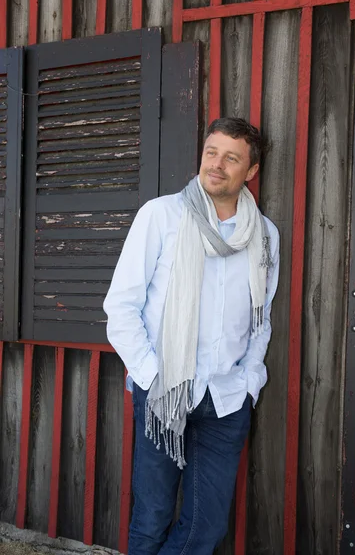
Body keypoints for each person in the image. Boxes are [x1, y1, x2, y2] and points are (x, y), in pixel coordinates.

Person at [103, 117, 280, 554]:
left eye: (231, 158)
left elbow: (262, 319)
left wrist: (249, 382)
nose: (216, 165)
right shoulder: (161, 216)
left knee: (206, 527)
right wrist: (150, 374)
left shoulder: (264, 235)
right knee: (151, 520)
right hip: (164, 392)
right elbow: (121, 307)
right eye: (211, 153)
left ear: (251, 171)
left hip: (225, 399)